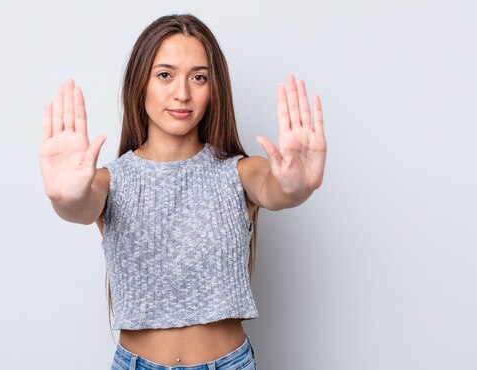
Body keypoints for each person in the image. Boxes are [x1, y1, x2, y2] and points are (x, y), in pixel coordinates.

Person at [39, 14, 326, 370]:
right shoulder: (110, 181)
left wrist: (294, 186)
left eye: (199, 77)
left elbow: (275, 189)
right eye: (165, 74)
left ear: (213, 88)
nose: (182, 93)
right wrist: (64, 197)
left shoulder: (236, 172)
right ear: (139, 83)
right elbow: (81, 206)